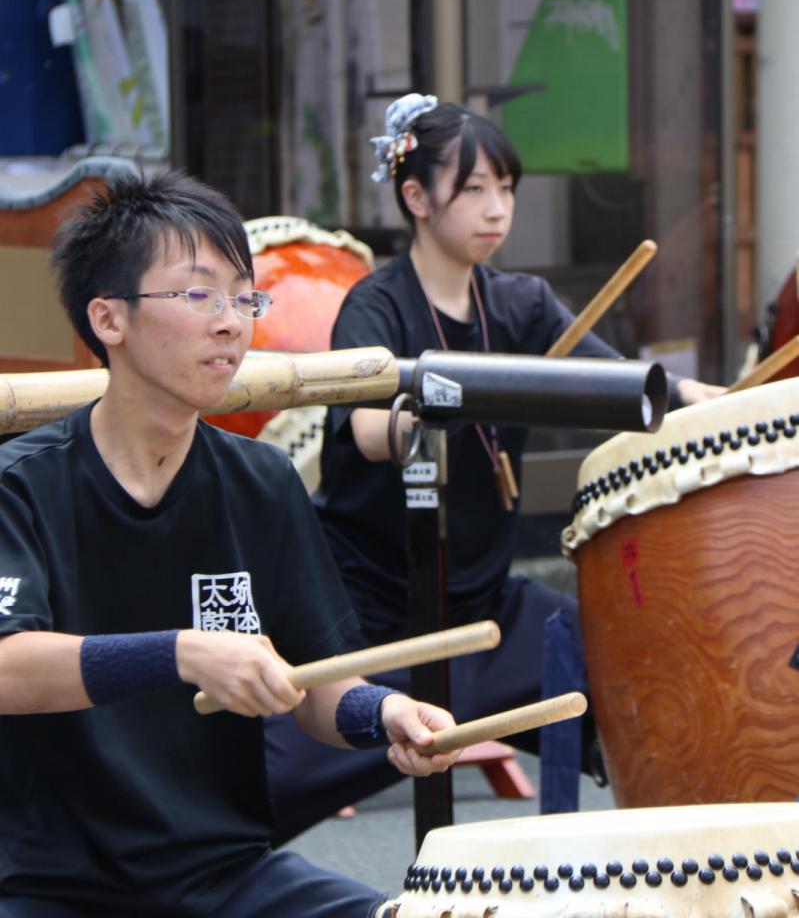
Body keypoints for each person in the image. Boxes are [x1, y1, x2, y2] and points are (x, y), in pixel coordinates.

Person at [0, 171, 461, 918]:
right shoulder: (20, 485)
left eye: (244, 297)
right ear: (108, 319)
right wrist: (182, 651)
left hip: (228, 876)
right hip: (53, 888)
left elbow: (316, 684)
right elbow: (5, 667)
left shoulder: (262, 481)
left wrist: (383, 715)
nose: (231, 322)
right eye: (198, 295)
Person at [264, 92, 722, 839]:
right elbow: (373, 429)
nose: (495, 208)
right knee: (246, 798)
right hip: (374, 625)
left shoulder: (520, 303)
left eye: (504, 188)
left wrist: (703, 399)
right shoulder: (373, 306)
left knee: (653, 697)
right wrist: (446, 396)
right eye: (473, 188)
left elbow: (622, 393)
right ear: (414, 197)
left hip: (489, 613)